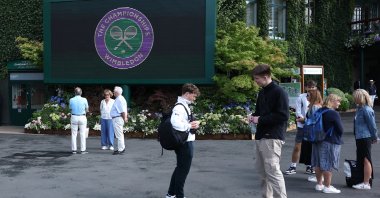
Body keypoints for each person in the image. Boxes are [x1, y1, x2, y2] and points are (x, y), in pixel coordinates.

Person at [250, 64, 289, 198]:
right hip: (261, 136)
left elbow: (283, 116)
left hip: (273, 137)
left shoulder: (279, 92)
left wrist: (259, 119)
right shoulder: (262, 92)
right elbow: (259, 113)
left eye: (257, 79)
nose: (255, 81)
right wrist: (252, 117)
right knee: (263, 174)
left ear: (266, 77)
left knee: (273, 172)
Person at [166, 83, 200, 198]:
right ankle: (178, 195)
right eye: (194, 95)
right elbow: (175, 124)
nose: (195, 98)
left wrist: (192, 124)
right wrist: (190, 126)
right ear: (187, 94)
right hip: (185, 142)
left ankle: (171, 194)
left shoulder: (183, 105)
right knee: (183, 170)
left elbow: (182, 123)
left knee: (180, 168)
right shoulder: (180, 107)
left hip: (185, 141)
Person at [311, 94, 343, 194]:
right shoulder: (333, 113)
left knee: (318, 163)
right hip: (329, 140)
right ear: (332, 101)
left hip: (317, 139)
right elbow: (340, 129)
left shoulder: (320, 110)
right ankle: (327, 187)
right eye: (338, 101)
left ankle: (319, 184)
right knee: (327, 163)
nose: (339, 103)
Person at [284, 80, 317, 175]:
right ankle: (293, 166)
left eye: (313, 87)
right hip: (302, 126)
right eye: (309, 87)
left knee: (310, 147)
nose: (311, 89)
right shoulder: (301, 97)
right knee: (298, 146)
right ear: (306, 88)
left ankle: (309, 166)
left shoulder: (318, 98)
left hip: (313, 126)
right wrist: (303, 119)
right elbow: (298, 111)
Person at [352, 89, 378, 190]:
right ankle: (365, 180)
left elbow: (372, 125)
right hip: (360, 137)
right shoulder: (360, 109)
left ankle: (366, 183)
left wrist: (374, 137)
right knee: (363, 159)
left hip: (365, 137)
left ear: (360, 98)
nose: (354, 99)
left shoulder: (366, 109)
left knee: (366, 159)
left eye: (355, 97)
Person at [299, 89, 323, 182]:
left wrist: (304, 120)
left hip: (313, 134)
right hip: (312, 133)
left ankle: (318, 176)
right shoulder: (314, 106)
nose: (307, 97)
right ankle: (316, 173)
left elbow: (314, 121)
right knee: (314, 153)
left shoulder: (314, 107)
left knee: (315, 153)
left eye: (308, 95)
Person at [69, 87, 89, 154]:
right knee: (82, 134)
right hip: (82, 117)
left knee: (74, 134)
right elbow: (87, 109)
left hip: (74, 116)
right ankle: (83, 150)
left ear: (74, 93)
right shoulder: (84, 99)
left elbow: (70, 109)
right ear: (81, 93)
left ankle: (74, 150)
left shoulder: (71, 100)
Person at [110, 86, 128, 155]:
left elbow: (122, 111)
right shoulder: (120, 98)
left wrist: (124, 118)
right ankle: (121, 148)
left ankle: (121, 149)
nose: (113, 92)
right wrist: (125, 118)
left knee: (119, 135)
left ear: (116, 92)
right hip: (118, 118)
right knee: (120, 134)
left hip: (117, 118)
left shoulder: (119, 99)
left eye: (114, 91)